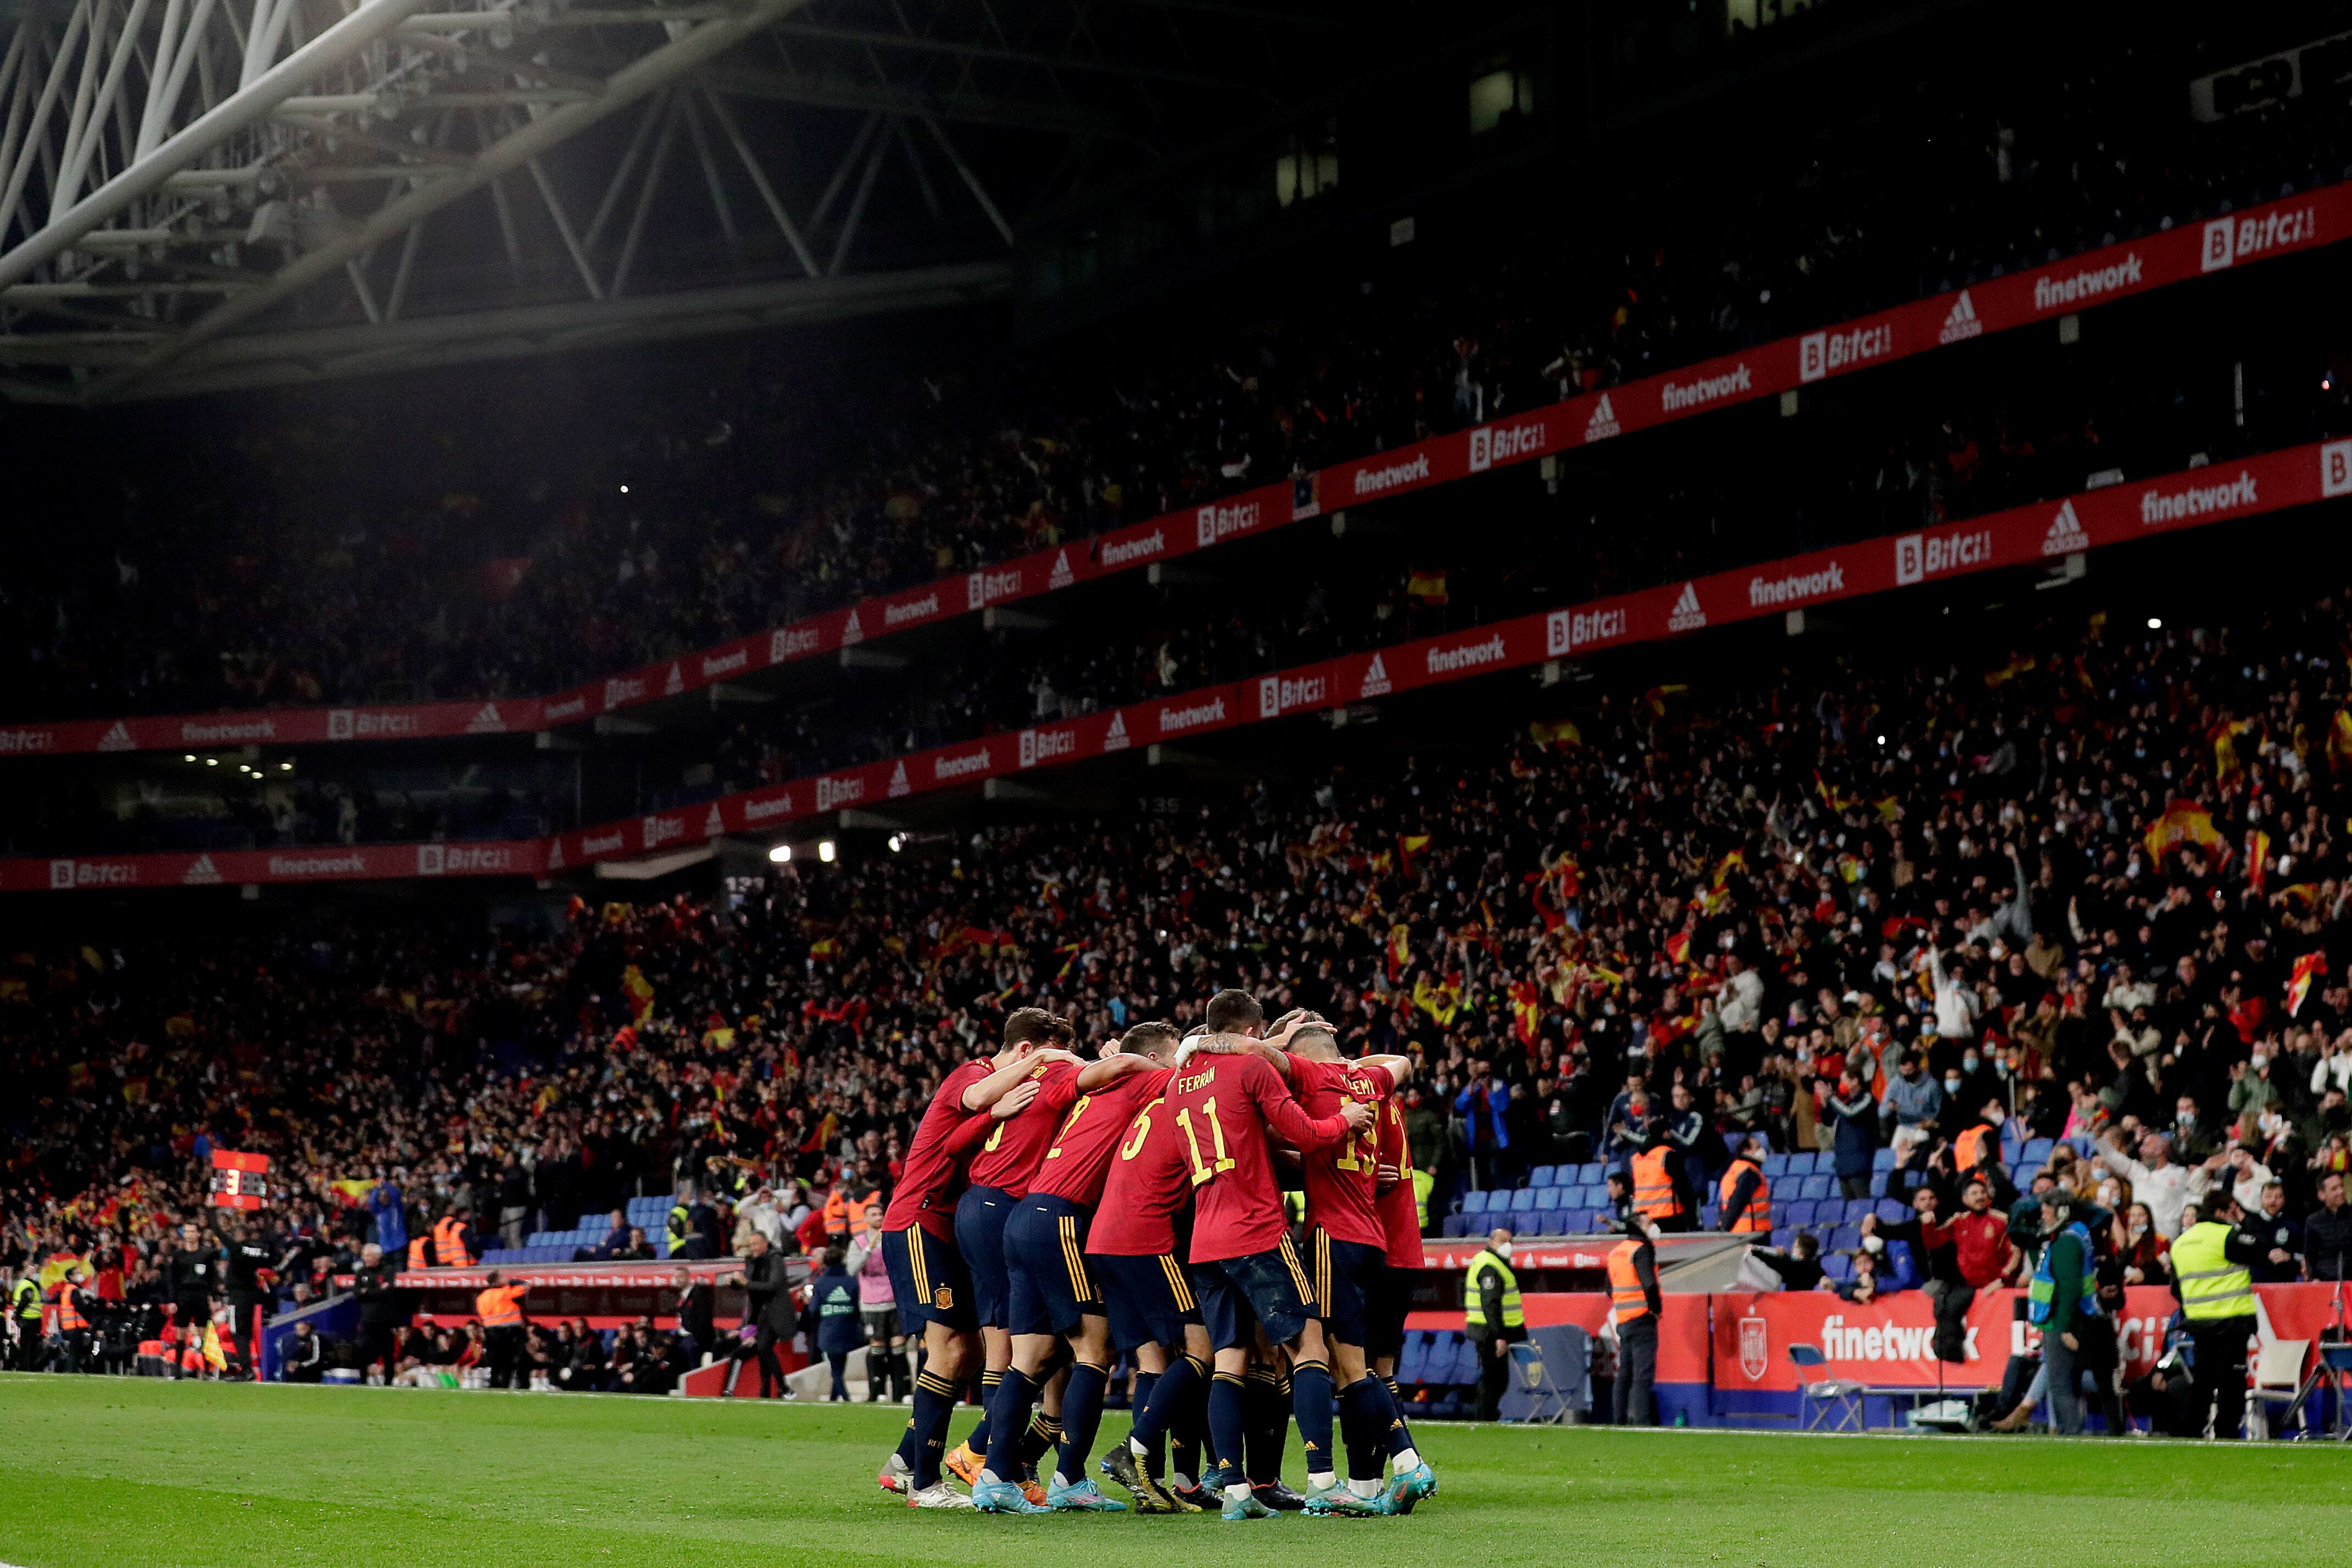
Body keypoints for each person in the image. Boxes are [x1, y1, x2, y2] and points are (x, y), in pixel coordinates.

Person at [1148, 994, 1369, 1522]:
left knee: (1229, 1360)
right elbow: (1304, 1133)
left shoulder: (1178, 1084)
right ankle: (1323, 1482)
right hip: (1257, 1230)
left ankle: (1235, 1492)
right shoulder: (1249, 1066)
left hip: (1205, 1239)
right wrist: (1346, 1117)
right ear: (1251, 1029)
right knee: (1310, 1347)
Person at [873, 1008, 1082, 1508]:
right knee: (948, 1349)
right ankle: (925, 1484)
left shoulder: (1009, 1094)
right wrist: (1048, 1062)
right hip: (920, 1221)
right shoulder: (975, 1073)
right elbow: (973, 1100)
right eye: (1046, 1055)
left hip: (950, 1229)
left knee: (969, 1350)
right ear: (1029, 1051)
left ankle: (905, 1463)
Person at [982, 1018, 1172, 1513]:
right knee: (1096, 1349)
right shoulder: (1141, 1078)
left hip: (1024, 1218)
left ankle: (994, 1476)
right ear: (1155, 1059)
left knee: (1028, 1361)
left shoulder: (1092, 1089)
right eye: (1170, 1056)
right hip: (1061, 1216)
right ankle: (1069, 1478)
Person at [2169, 1186, 2262, 1438]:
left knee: (2203, 1383)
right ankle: (2226, 1436)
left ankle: (2191, 1434)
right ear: (2222, 1212)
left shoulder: (2180, 1244)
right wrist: (2245, 1219)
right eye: (2231, 1212)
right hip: (2231, 1322)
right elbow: (2261, 1249)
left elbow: (2177, 1288)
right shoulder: (2227, 1236)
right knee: (2231, 1385)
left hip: (2200, 1323)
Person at [2024, 1190, 2099, 1435]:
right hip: (2065, 1318)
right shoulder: (2069, 1238)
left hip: (2061, 1321)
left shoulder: (2066, 1242)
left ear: (2062, 1211)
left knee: (2060, 1383)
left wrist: (2065, 1326)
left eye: (2047, 1209)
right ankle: (2071, 1430)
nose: (2042, 1214)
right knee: (2065, 1381)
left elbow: (2069, 1288)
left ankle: (2071, 1431)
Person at [1464, 1226, 1526, 1422]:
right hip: (1489, 1332)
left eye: (1510, 1242)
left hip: (1491, 1331)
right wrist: (1500, 1336)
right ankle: (1484, 1419)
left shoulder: (1496, 1262)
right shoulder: (1490, 1266)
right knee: (1493, 1381)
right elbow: (1490, 1304)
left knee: (1497, 1380)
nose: (1508, 1246)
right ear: (1492, 1242)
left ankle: (1487, 1417)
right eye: (1503, 1241)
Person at [846, 1204, 905, 1402]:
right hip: (872, 1303)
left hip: (894, 1301)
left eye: (881, 1214)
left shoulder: (892, 1238)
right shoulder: (858, 1242)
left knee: (899, 1345)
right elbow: (852, 1270)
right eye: (874, 1215)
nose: (879, 1217)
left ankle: (902, 1391)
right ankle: (878, 1391)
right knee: (877, 1345)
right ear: (865, 1219)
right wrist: (869, 1249)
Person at [1608, 1213, 1662, 1425]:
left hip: (1623, 1319)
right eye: (1649, 1223)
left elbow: (1608, 1287)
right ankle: (1641, 1421)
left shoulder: (1617, 1252)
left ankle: (1619, 1421)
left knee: (1625, 1374)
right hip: (1642, 1318)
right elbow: (1649, 1284)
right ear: (1639, 1227)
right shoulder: (1641, 1250)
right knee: (1642, 1374)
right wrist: (1656, 1309)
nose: (1654, 1226)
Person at [721, 1232, 789, 1398]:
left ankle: (730, 1390)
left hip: (769, 1321)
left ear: (766, 1243)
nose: (753, 1248)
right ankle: (768, 1391)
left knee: (761, 1350)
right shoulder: (755, 1265)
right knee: (720, 1344)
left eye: (756, 1244)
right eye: (751, 1245)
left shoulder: (774, 1262)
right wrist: (735, 1284)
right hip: (754, 1324)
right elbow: (750, 1289)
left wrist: (756, 1336)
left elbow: (770, 1288)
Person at [804, 1242, 862, 1400]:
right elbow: (858, 1306)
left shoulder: (821, 1283)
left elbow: (813, 1309)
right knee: (840, 1365)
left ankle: (845, 1397)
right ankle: (833, 1398)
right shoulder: (852, 1282)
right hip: (848, 1328)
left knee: (835, 1368)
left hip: (828, 1329)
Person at [351, 1241, 409, 1379]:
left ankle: (388, 1383)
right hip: (367, 1320)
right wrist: (376, 1290)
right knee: (362, 1349)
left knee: (388, 1352)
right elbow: (357, 1293)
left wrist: (367, 1292)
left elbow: (387, 1292)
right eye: (364, 1256)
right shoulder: (361, 1272)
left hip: (385, 1320)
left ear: (378, 1256)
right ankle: (363, 1381)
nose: (365, 1258)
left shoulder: (388, 1270)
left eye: (369, 1255)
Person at [475, 1270, 532, 1389]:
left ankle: (494, 1386)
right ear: (497, 1281)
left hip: (490, 1333)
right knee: (508, 1362)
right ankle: (505, 1386)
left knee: (495, 1363)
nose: (506, 1278)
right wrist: (513, 1281)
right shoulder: (505, 1292)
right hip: (508, 1332)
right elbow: (526, 1286)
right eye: (503, 1277)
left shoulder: (481, 1297)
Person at [1717, 1135, 1770, 1234]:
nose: (1762, 1151)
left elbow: (1723, 1203)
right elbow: (1738, 1202)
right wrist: (1725, 1227)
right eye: (1758, 1148)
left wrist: (1723, 1225)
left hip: (1737, 1231)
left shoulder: (1733, 1170)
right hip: (1752, 1231)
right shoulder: (1750, 1172)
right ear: (1746, 1150)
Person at [2306, 1170, 2351, 1283]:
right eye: (2334, 1189)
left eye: (2341, 1186)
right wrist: (2314, 1278)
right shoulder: (2313, 1221)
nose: (2341, 1191)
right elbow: (2310, 1255)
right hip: (2325, 1283)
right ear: (2321, 1195)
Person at [281, 1319, 327, 1383]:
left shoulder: (315, 1338)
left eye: (303, 1329)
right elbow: (286, 1356)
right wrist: (291, 1365)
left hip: (311, 1370)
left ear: (308, 1329)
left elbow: (316, 1358)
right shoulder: (289, 1339)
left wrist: (300, 1364)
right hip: (296, 1370)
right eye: (298, 1330)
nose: (301, 1332)